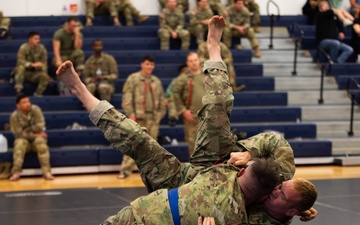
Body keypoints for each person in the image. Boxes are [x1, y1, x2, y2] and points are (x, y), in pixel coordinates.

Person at [56, 15, 317, 224]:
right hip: (216, 164)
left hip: (185, 190)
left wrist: (291, 212)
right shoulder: (282, 175)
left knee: (138, 140)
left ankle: (81, 93)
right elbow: (275, 140)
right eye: (281, 187)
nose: (276, 190)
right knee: (216, 105)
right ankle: (214, 48)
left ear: (291, 210)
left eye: (281, 195)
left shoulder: (268, 219)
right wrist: (250, 153)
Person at [118, 55, 166, 179]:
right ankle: (125, 170)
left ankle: (152, 173)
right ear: (142, 64)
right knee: (134, 144)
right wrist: (131, 114)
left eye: (151, 64)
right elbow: (127, 98)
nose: (149, 67)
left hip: (153, 118)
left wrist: (160, 114)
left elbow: (162, 98)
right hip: (138, 117)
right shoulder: (133, 79)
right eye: (147, 64)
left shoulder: (156, 81)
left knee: (152, 147)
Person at [9, 94, 54, 181]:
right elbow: (18, 134)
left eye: (28, 101)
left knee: (41, 142)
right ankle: (16, 172)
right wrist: (35, 134)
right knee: (19, 144)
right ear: (18, 105)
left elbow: (40, 126)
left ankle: (46, 172)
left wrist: (27, 130)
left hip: (35, 140)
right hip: (24, 141)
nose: (28, 104)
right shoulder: (14, 116)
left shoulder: (36, 110)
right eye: (24, 102)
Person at [172, 52, 205, 156]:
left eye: (195, 60)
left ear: (199, 60)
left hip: (208, 115)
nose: (194, 63)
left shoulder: (206, 75)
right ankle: (196, 170)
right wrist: (183, 111)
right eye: (191, 61)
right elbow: (175, 94)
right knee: (194, 145)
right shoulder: (183, 78)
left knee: (210, 144)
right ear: (187, 63)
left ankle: (208, 170)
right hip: (192, 116)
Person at [14, 31, 50, 96]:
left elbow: (44, 64)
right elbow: (20, 61)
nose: (38, 41)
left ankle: (38, 94)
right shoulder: (23, 48)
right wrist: (32, 65)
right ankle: (18, 90)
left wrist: (42, 67)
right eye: (36, 39)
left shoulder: (42, 49)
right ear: (30, 39)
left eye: (39, 39)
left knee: (45, 76)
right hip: (25, 73)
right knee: (20, 68)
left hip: (35, 73)